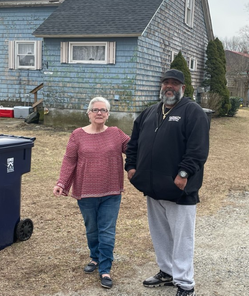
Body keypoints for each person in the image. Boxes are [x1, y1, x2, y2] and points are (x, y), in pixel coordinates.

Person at [125, 69, 210, 296]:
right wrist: (131, 167)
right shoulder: (149, 113)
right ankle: (167, 271)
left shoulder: (193, 112)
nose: (169, 87)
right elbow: (133, 143)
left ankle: (185, 283)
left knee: (182, 237)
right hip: (153, 187)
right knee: (160, 233)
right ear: (160, 86)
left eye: (174, 83)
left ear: (183, 88)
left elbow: (198, 150)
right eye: (165, 83)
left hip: (180, 190)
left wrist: (184, 174)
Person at [53, 96, 130, 289]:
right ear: (88, 113)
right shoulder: (77, 135)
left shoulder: (116, 133)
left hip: (111, 191)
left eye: (103, 110)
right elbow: (69, 160)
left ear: (108, 114)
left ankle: (105, 269)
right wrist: (62, 182)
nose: (99, 113)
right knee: (92, 229)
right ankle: (95, 258)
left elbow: (135, 149)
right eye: (95, 110)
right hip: (86, 192)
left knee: (107, 231)